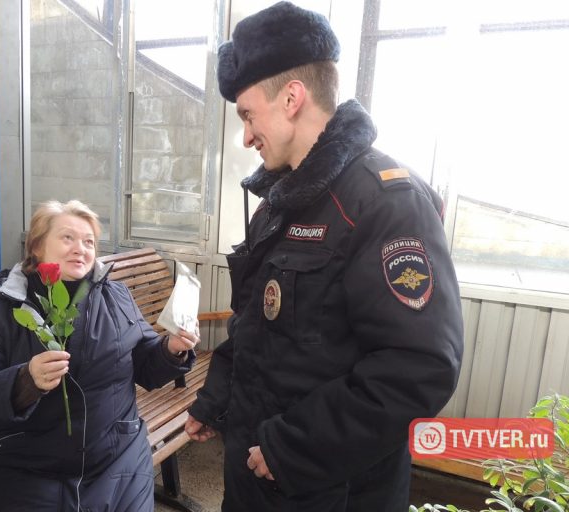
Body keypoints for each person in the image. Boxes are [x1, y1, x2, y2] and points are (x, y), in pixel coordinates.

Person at [185, 2, 464, 511]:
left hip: (328, 488)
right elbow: (255, 324)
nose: (245, 135)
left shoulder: (384, 202)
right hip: (254, 472)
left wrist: (293, 448)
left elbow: (417, 367)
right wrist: (216, 398)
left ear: (292, 98)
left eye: (247, 114)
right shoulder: (279, 202)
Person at [0, 199, 200, 512]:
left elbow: (145, 366)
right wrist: (25, 381)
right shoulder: (1, 312)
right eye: (68, 238)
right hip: (31, 469)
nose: (81, 249)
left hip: (118, 461)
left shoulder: (116, 297)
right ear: (36, 247)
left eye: (89, 242)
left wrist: (171, 350)